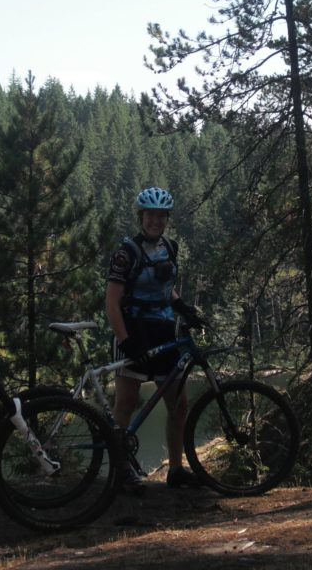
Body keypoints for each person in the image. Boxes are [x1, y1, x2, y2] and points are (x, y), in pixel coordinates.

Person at [105, 187, 203, 492]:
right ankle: (121, 472)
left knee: (179, 404)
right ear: (141, 216)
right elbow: (111, 302)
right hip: (134, 331)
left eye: (161, 216)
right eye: (150, 215)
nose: (155, 221)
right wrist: (126, 340)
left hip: (164, 331)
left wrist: (183, 307)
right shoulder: (126, 253)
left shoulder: (169, 247)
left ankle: (176, 469)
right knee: (127, 403)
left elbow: (165, 289)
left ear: (167, 219)